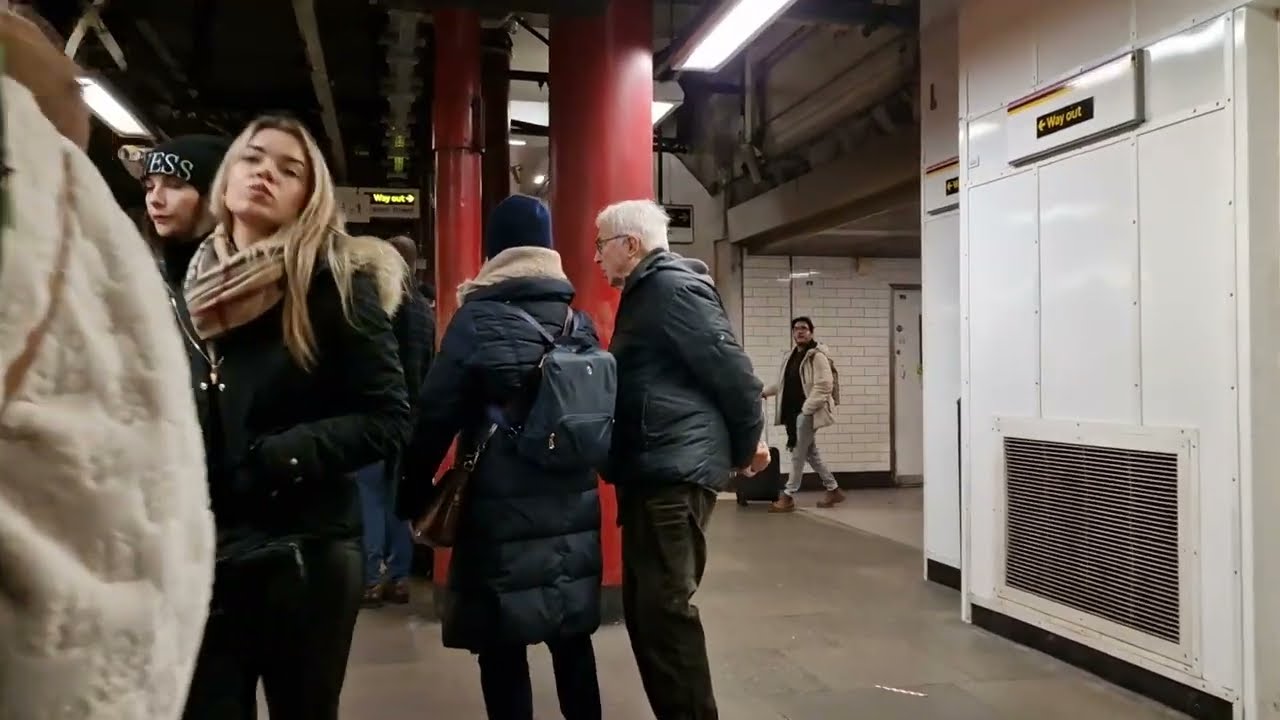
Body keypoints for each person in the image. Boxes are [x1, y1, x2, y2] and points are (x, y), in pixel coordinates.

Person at [0, 8, 214, 719]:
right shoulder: (129, 265)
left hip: (278, 541)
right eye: (149, 183)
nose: (155, 195)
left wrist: (282, 460)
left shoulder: (62, 215)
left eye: (175, 183)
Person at [177, 115, 411, 719]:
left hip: (304, 551)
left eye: (289, 169)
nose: (265, 175)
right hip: (205, 548)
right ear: (227, 175)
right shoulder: (190, 291)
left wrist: (281, 455)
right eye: (254, 159)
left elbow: (388, 416)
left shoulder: (336, 282)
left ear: (311, 197)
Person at [400, 194, 603, 720]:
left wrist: (412, 492)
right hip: (571, 500)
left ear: (494, 252)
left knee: (503, 641)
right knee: (572, 639)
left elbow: (434, 416)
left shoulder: (477, 320)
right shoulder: (579, 323)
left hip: (499, 503)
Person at [595, 199, 768, 720]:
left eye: (601, 244)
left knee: (664, 614)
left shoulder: (672, 289)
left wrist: (746, 447)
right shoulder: (648, 292)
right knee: (648, 614)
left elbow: (736, 375)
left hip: (672, 471)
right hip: (653, 468)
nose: (597, 256)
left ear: (631, 245)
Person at [357, 234, 433, 607]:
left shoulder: (378, 302)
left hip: (375, 414)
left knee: (369, 496)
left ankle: (371, 579)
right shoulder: (423, 309)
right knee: (397, 500)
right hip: (411, 417)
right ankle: (399, 578)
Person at [762, 315, 844, 512]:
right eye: (796, 328)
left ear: (811, 332)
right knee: (811, 454)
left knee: (798, 454)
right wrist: (765, 392)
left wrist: (806, 411)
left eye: (804, 328)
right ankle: (833, 489)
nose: (799, 331)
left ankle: (788, 496)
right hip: (794, 414)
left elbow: (824, 386)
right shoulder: (792, 356)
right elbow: (784, 384)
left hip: (805, 413)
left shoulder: (817, 356)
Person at [140, 134, 232, 293]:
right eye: (149, 187)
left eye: (175, 185)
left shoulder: (239, 275)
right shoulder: (145, 267)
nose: (155, 199)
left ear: (214, 194)